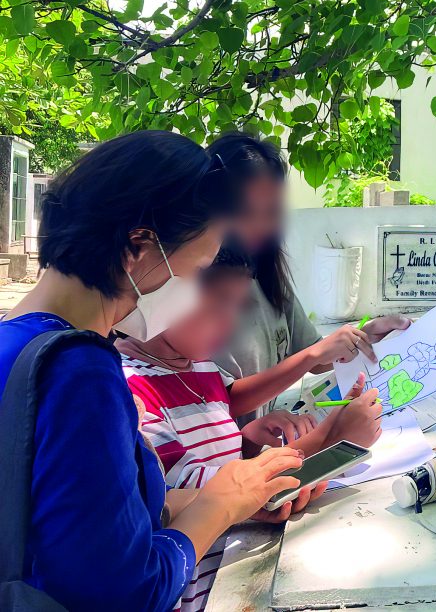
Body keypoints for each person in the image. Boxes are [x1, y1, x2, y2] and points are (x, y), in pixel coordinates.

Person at [0, 131, 307, 610]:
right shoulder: (80, 372)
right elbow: (128, 591)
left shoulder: (15, 345)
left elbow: (90, 522)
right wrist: (220, 504)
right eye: (195, 271)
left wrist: (239, 495)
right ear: (138, 245)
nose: (191, 294)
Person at [118, 246, 382, 612]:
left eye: (238, 306)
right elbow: (206, 488)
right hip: (197, 592)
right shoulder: (131, 392)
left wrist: (247, 441)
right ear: (165, 292)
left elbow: (226, 408)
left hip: (232, 568)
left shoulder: (199, 366)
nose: (230, 323)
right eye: (217, 303)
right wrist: (333, 436)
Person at [206, 132, 407, 424]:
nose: (260, 225)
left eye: (271, 211)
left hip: (255, 450)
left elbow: (316, 357)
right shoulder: (195, 291)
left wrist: (361, 336)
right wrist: (312, 355)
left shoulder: (266, 277)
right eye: (246, 211)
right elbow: (223, 399)